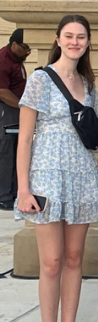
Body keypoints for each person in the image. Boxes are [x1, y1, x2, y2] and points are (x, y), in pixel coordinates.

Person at [15, 15, 98, 322]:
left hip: (81, 175)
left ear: (87, 42)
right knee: (50, 261)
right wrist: (23, 188)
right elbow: (24, 138)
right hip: (47, 177)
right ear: (58, 38)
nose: (75, 42)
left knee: (73, 259)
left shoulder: (88, 82)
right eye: (69, 36)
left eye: (81, 36)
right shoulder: (39, 79)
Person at [0, 28, 31, 210]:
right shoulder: (3, 60)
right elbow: (2, 92)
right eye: (25, 48)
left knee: (15, 152)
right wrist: (23, 107)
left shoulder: (17, 59)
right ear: (14, 44)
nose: (28, 52)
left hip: (17, 110)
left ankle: (13, 193)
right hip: (6, 110)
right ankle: (3, 196)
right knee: (5, 153)